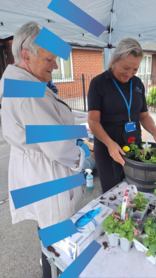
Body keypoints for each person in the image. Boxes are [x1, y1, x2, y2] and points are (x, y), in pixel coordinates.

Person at [0, 21, 89, 278]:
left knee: (48, 233)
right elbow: (58, 147)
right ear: (25, 55)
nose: (55, 65)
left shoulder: (21, 80)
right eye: (49, 58)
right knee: (59, 241)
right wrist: (82, 154)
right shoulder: (27, 91)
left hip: (37, 170)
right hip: (48, 174)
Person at [88, 38, 156, 193]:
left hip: (133, 139)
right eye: (126, 67)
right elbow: (93, 121)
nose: (129, 73)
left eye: (135, 69)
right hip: (108, 142)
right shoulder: (99, 83)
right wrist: (109, 143)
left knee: (136, 186)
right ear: (115, 60)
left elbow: (144, 116)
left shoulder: (138, 84)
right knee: (113, 190)